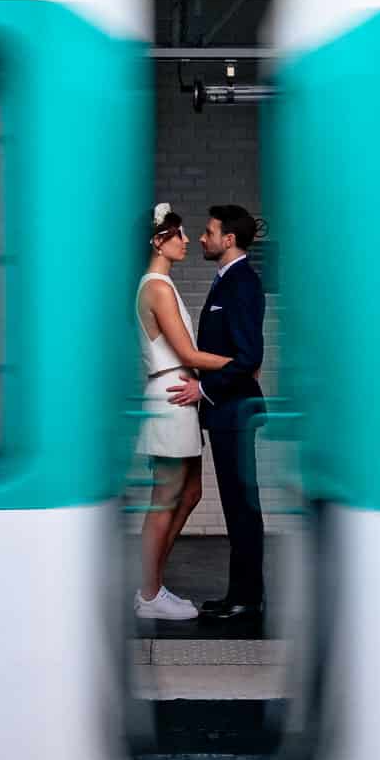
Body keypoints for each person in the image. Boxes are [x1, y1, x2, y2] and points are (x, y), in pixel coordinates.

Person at [135, 203, 235, 621]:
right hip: (171, 392)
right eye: (179, 234)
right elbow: (188, 352)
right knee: (164, 500)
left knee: (190, 492)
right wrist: (240, 363)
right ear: (160, 241)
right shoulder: (157, 287)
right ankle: (149, 592)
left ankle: (153, 583)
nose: (188, 240)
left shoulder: (162, 285)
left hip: (180, 393)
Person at [168, 204, 266, 623]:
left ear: (229, 240)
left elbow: (248, 357)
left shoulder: (243, 282)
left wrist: (203, 388)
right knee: (236, 505)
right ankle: (238, 594)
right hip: (226, 412)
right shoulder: (227, 280)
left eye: (209, 232)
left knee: (242, 506)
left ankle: (247, 598)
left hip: (235, 411)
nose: (202, 239)